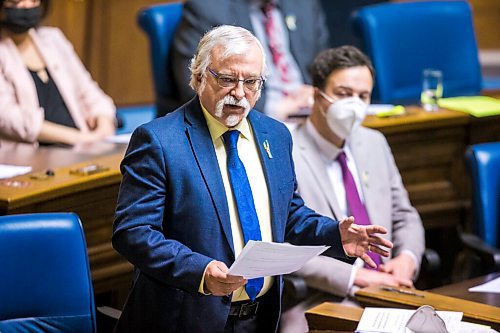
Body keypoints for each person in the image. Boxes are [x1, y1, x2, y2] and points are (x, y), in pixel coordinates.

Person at [112, 26, 393, 333]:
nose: (239, 93)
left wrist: (334, 235)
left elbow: (289, 215)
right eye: (228, 79)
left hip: (259, 318)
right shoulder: (159, 141)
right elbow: (134, 232)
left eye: (251, 83)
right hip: (185, 318)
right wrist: (201, 272)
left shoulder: (275, 134)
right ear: (198, 76)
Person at [280, 46, 425, 332]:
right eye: (344, 94)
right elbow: (282, 246)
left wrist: (406, 260)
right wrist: (356, 277)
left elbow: (405, 215)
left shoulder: (374, 142)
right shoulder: (285, 151)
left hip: (391, 290)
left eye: (363, 96)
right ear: (316, 95)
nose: (355, 104)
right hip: (320, 297)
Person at [170, 0, 329, 120]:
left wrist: (317, 90)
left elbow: (324, 63)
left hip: (310, 107)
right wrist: (271, 108)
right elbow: (194, 83)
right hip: (254, 114)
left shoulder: (304, 4)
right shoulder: (207, 7)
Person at [0, 0, 115, 145]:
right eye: (17, 2)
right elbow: (8, 117)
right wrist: (77, 138)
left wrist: (104, 123)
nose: (27, 6)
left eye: (33, 0)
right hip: (32, 153)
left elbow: (89, 90)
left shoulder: (53, 38)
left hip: (83, 147)